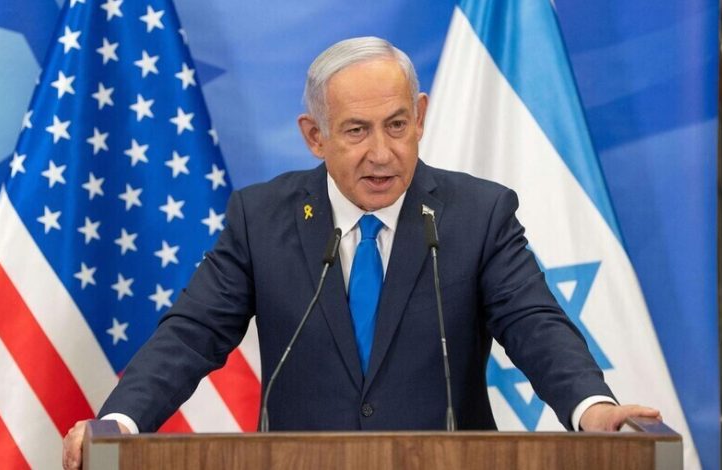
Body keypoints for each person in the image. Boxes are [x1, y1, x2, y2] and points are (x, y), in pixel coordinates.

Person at [62, 36, 660, 469]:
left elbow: (534, 324)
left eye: (397, 125)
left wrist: (591, 408)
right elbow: (192, 334)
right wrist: (121, 421)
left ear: (420, 118)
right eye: (356, 131)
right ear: (314, 136)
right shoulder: (261, 219)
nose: (382, 153)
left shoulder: (479, 215)